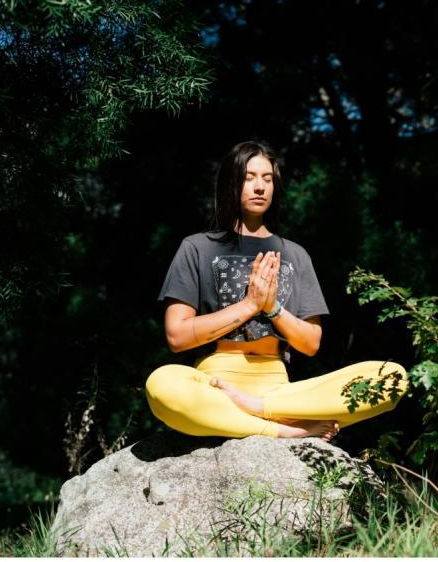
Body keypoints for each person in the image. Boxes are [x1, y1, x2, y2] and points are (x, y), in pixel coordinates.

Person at [145, 141, 408, 442]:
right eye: (249, 178)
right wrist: (249, 304)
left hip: (279, 390)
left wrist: (272, 308)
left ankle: (258, 409)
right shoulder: (197, 247)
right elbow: (177, 336)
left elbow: (310, 343)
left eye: (267, 179)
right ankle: (280, 429)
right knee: (161, 384)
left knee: (391, 378)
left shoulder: (295, 254)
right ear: (230, 182)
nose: (260, 187)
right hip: (215, 386)